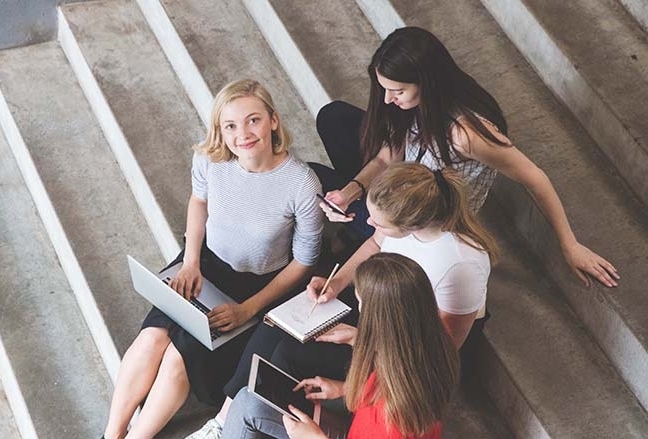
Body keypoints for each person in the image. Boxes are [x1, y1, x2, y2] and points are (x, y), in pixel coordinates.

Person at [187, 162, 495, 439]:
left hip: (406, 351)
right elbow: (376, 242)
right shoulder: (397, 235)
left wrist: (364, 342)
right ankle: (225, 420)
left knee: (289, 354)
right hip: (389, 341)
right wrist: (338, 287)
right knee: (272, 339)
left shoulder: (461, 266)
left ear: (411, 224)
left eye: (380, 222)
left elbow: (436, 354)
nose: (371, 226)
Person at [311, 26, 618, 288]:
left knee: (312, 174)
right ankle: (356, 222)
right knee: (334, 117)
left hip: (425, 218)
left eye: (397, 91)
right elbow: (384, 158)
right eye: (385, 89)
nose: (388, 99)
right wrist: (351, 192)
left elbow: (534, 177)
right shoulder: (414, 107)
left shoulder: (465, 133)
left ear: (426, 82)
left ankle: (356, 230)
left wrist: (570, 245)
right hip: (405, 184)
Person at [101, 79, 324, 439]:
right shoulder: (211, 159)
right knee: (151, 339)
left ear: (274, 121)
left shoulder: (301, 183)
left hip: (257, 287)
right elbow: (199, 201)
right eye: (230, 126)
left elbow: (304, 262)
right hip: (204, 264)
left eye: (253, 120)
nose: (243, 135)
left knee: (177, 358)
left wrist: (248, 310)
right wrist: (190, 262)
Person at [221, 252, 460, 439]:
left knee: (248, 406)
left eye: (361, 304)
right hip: (357, 427)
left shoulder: (393, 420)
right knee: (250, 400)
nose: (360, 310)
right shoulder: (427, 350)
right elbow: (388, 374)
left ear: (381, 318)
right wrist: (343, 388)